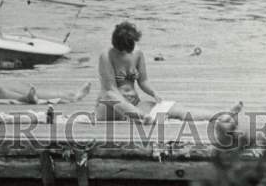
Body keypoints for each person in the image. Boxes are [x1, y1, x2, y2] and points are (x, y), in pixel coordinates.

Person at [96, 20, 242, 123]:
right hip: (112, 108)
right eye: (121, 50)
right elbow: (111, 90)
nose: (124, 53)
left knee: (174, 108)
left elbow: (143, 81)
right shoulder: (106, 55)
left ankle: (221, 115)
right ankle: (141, 117)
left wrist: (154, 93)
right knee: (109, 95)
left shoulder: (138, 53)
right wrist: (131, 109)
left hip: (135, 106)